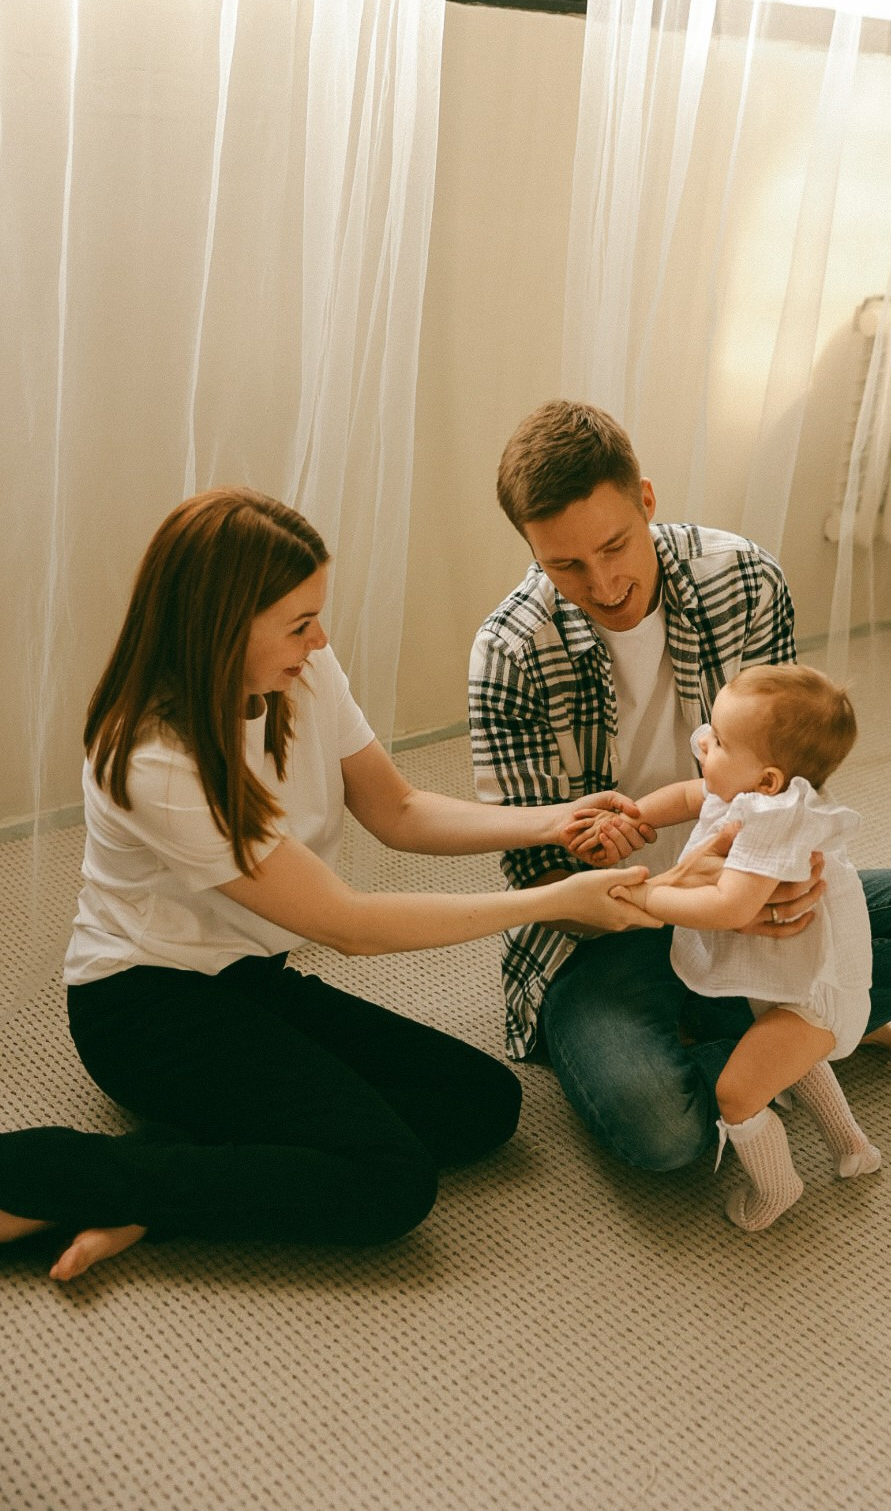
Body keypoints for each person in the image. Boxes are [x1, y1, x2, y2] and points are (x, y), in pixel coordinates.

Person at [0, 488, 657, 1281]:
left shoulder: (298, 672)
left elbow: (398, 810)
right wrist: (556, 901)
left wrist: (553, 822)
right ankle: (70, 1181)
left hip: (252, 978)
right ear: (223, 626)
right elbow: (349, 926)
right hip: (148, 1008)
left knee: (482, 1104)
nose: (320, 638)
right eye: (299, 623)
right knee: (390, 1182)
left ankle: (177, 1173)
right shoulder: (153, 761)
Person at [469, 399, 891, 1173]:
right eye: (564, 566)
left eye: (614, 545)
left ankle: (782, 1028)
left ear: (646, 500)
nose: (602, 583)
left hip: (752, 891)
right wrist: (664, 894)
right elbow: (538, 879)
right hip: (607, 935)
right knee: (663, 1132)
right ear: (532, 549)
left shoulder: (744, 577)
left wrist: (784, 885)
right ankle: (801, 1032)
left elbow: (792, 772)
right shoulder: (510, 652)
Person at [568, 663, 889, 1231]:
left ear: (768, 781)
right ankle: (853, 1147)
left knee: (737, 1094)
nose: (702, 745)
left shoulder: (772, 819)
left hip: (815, 992)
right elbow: (687, 795)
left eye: (716, 741)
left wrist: (645, 896)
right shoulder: (741, 786)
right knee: (792, 1061)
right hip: (791, 980)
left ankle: (778, 1186)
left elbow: (729, 909)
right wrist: (632, 816)